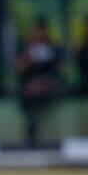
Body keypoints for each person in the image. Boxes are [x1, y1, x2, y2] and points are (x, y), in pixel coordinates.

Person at [15, 18, 63, 147]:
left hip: (48, 88)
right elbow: (18, 70)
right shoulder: (27, 50)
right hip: (30, 90)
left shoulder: (54, 50)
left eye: (41, 31)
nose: (39, 34)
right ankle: (31, 137)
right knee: (28, 98)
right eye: (36, 31)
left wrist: (43, 84)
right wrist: (28, 57)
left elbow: (60, 73)